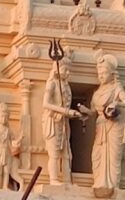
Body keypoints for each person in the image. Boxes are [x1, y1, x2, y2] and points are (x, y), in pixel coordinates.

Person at [78, 54, 125, 196]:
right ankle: (100, 182)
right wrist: (85, 111)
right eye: (99, 73)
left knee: (113, 156)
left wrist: (116, 103)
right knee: (97, 155)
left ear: (111, 73)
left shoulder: (116, 88)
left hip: (114, 125)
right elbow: (93, 112)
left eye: (104, 73)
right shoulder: (97, 93)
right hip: (101, 125)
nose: (101, 76)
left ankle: (113, 185)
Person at [42, 57, 82, 185]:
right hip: (53, 121)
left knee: (66, 152)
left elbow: (66, 106)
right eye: (65, 70)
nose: (68, 73)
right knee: (54, 153)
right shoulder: (52, 83)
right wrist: (66, 111)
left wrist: (72, 113)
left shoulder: (66, 85)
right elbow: (45, 104)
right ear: (57, 69)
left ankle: (67, 180)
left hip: (64, 122)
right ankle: (53, 179)